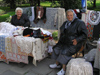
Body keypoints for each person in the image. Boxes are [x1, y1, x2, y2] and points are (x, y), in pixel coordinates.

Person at [49, 9, 87, 75]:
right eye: (68, 15)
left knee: (64, 51)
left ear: (74, 15)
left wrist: (77, 40)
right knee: (56, 48)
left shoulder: (79, 23)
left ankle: (64, 69)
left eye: (71, 15)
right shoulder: (66, 22)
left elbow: (85, 34)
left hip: (74, 43)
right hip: (65, 42)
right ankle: (57, 64)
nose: (69, 17)